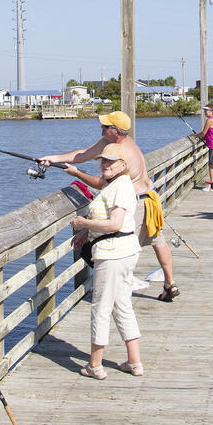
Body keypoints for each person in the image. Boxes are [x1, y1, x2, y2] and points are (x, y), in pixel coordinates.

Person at [39, 111, 181, 301]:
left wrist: (77, 174)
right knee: (158, 241)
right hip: (149, 196)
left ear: (117, 132)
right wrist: (53, 158)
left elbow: (101, 183)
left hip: (137, 203)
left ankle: (125, 284)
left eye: (105, 126)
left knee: (123, 244)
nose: (101, 128)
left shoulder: (122, 155)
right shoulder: (109, 143)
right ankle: (170, 284)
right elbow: (83, 154)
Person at [68, 144, 143, 379]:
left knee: (100, 307)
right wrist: (87, 233)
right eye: (103, 160)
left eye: (111, 161)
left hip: (113, 254)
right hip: (121, 251)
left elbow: (115, 224)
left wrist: (83, 223)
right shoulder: (114, 183)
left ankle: (95, 365)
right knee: (122, 304)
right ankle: (134, 362)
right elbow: (109, 220)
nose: (105, 165)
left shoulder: (121, 186)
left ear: (124, 165)